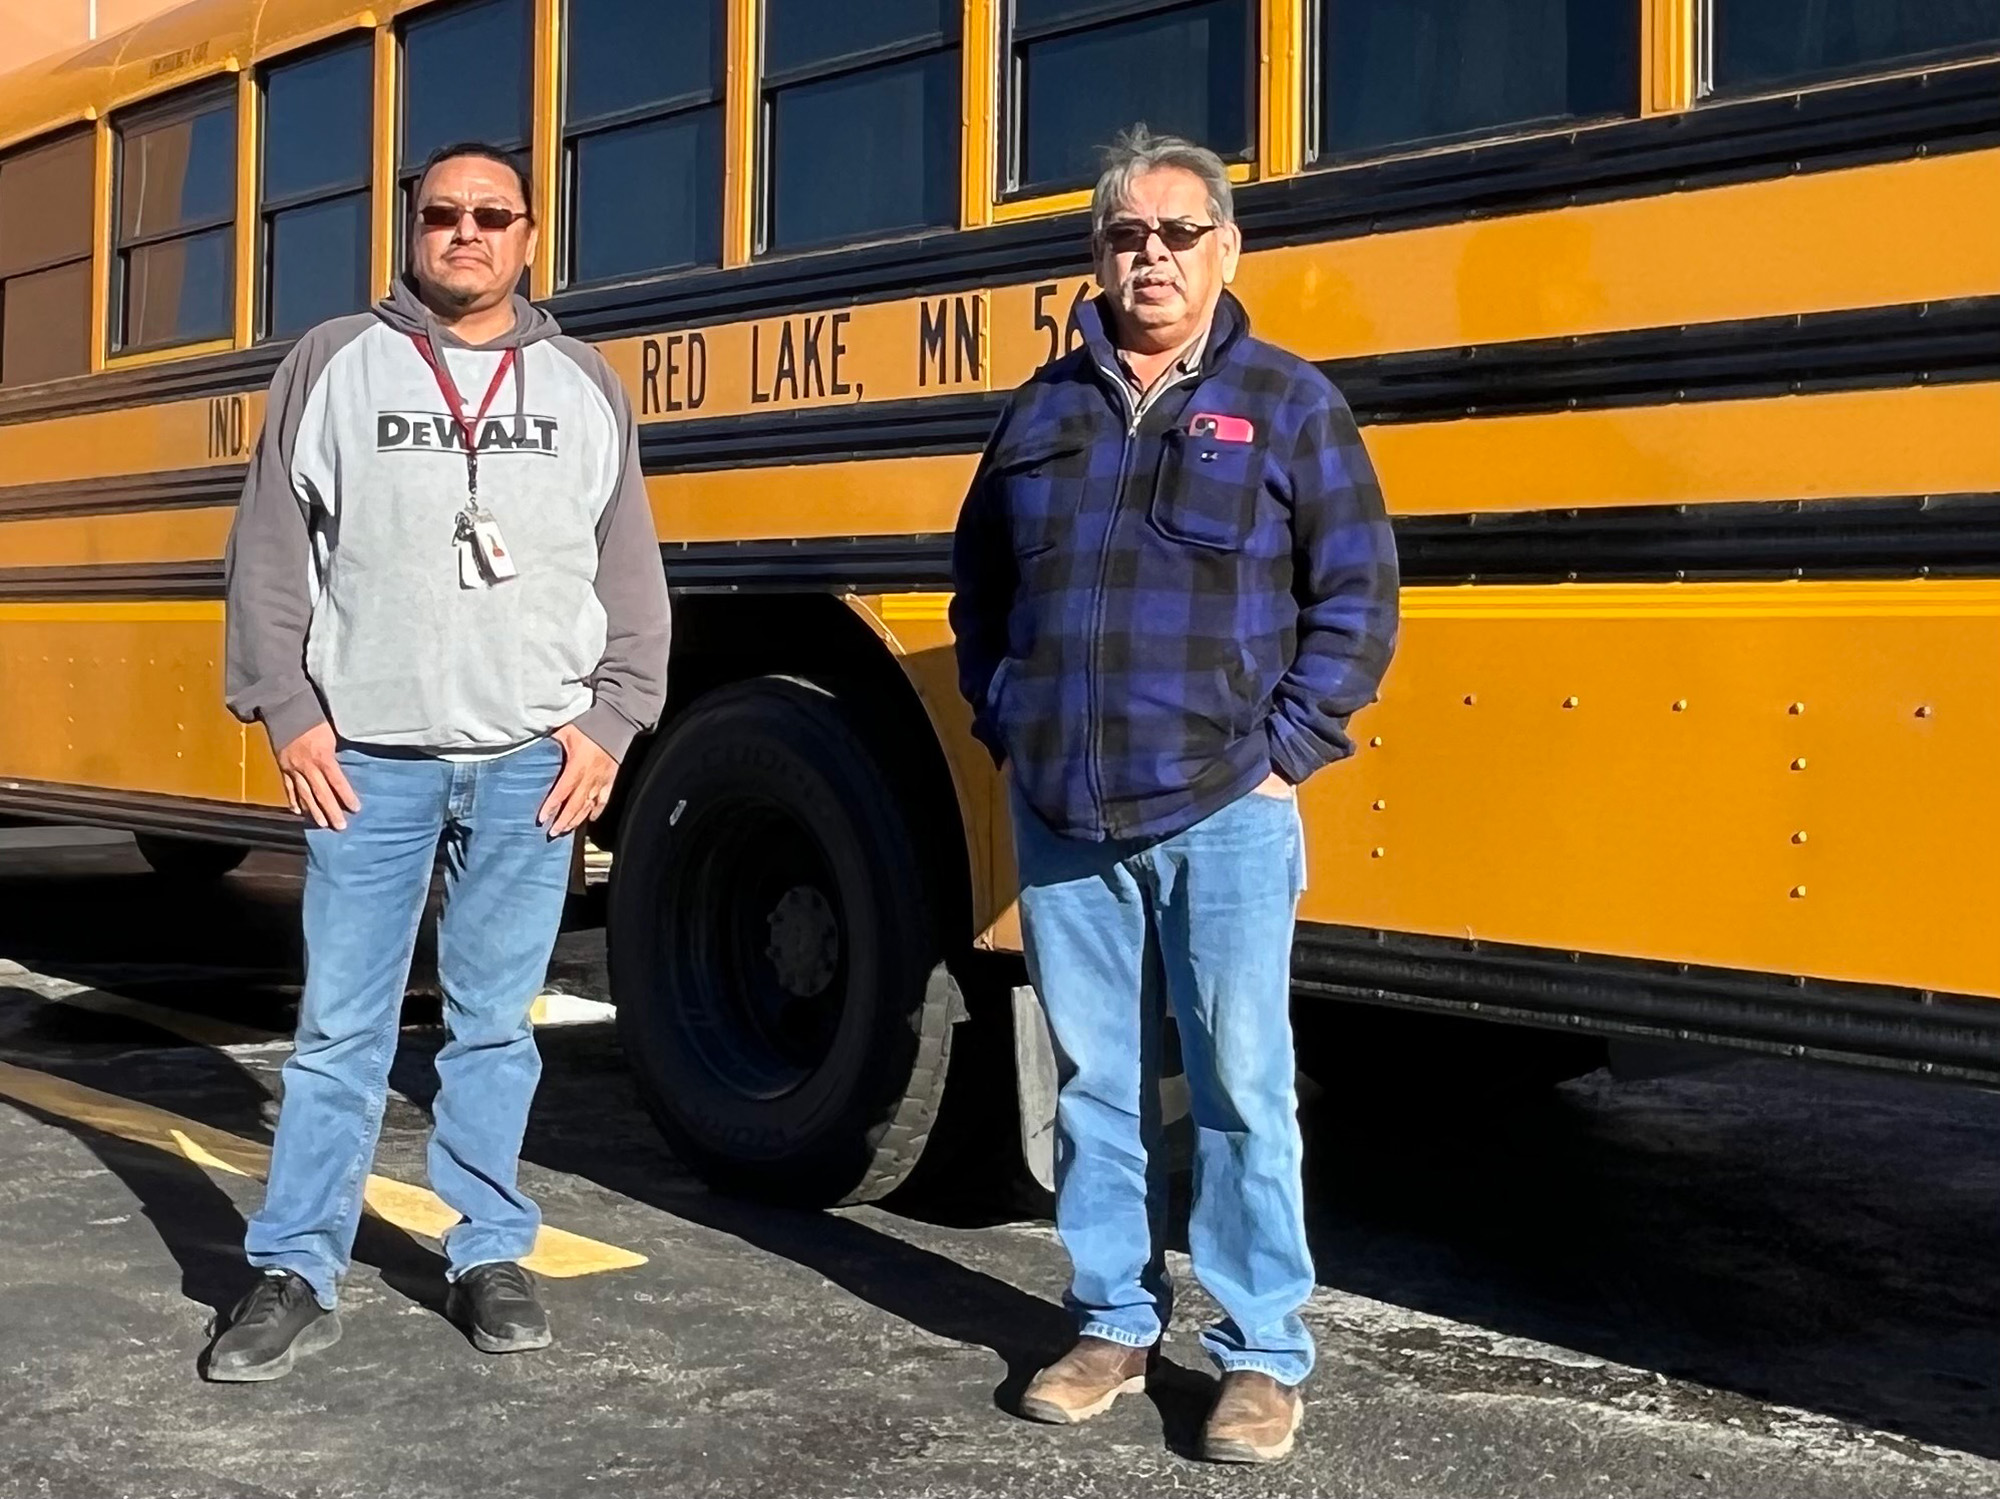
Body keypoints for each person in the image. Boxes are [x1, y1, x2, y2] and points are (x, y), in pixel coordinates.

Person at [949, 126, 1399, 1464]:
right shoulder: (1039, 410)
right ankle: (1108, 1319)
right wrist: (1008, 716)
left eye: (1177, 234)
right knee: (1094, 1080)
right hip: (1065, 808)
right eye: (1127, 235)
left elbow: (1359, 595)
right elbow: (982, 589)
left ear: (1226, 249)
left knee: (1241, 1081)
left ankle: (1260, 1352)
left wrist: (1288, 747)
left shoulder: (1289, 401)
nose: (1151, 255)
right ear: (1096, 255)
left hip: (1224, 808)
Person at [206, 141, 670, 1381]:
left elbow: (627, 565)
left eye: (490, 216)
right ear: (414, 228)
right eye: (441, 214)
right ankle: (295, 1265)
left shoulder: (579, 381)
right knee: (340, 1030)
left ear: (529, 237)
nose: (464, 232)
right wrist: (291, 711)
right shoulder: (334, 362)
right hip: (369, 758)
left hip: (531, 758)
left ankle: (486, 1247)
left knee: (491, 1029)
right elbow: (268, 548)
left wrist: (610, 719)